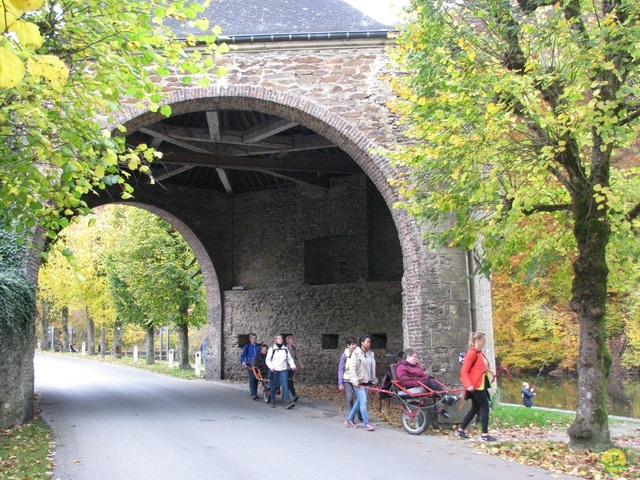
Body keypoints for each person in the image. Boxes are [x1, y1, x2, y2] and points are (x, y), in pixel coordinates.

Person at [455, 331, 496, 442]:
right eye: (483, 340)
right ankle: (484, 434)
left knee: (475, 408)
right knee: (485, 407)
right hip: (475, 386)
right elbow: (464, 371)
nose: (485, 342)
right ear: (477, 341)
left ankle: (460, 430)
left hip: (480, 385)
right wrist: (468, 385)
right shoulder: (472, 353)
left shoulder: (479, 353)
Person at [395, 348, 457, 417]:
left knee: (432, 382)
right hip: (409, 386)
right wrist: (418, 382)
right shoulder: (401, 366)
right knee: (429, 383)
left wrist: (427, 378)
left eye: (417, 357)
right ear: (408, 356)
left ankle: (444, 398)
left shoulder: (416, 366)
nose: (416, 359)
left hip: (419, 383)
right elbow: (403, 380)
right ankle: (445, 397)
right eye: (415, 357)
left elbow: (422, 375)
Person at [344, 334, 377, 431]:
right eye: (367, 342)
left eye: (370, 342)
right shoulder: (356, 353)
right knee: (363, 401)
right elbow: (352, 368)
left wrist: (374, 379)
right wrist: (354, 381)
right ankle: (367, 423)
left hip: (366, 381)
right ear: (362, 343)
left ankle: (349, 420)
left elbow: (371, 368)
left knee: (359, 401)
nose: (369, 344)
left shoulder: (370, 354)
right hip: (358, 382)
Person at [266, 335, 296, 409]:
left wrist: (292, 365)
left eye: (281, 338)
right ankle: (272, 400)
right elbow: (267, 360)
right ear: (276, 340)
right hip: (275, 369)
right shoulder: (272, 349)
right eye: (279, 338)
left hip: (283, 369)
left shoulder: (285, 349)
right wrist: (271, 367)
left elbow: (289, 359)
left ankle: (288, 401)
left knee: (285, 385)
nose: (281, 340)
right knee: (274, 385)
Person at [338, 336, 362, 420]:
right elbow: (341, 369)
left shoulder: (359, 354)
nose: (354, 346)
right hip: (347, 380)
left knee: (359, 398)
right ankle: (350, 416)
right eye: (352, 344)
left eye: (355, 344)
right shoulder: (344, 355)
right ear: (348, 345)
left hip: (357, 380)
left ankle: (360, 415)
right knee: (350, 398)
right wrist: (340, 382)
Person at [240, 333, 262, 400]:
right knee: (252, 378)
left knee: (256, 379)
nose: (254, 339)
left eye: (255, 338)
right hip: (250, 365)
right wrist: (243, 362)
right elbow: (242, 356)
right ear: (250, 339)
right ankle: (253, 394)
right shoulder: (247, 346)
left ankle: (255, 392)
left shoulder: (258, 347)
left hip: (257, 365)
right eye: (253, 338)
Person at [286, 335, 304, 402]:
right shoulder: (285, 348)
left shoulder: (294, 349)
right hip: (286, 367)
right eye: (291, 340)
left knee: (289, 380)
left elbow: (298, 357)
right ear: (287, 341)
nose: (292, 341)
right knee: (289, 380)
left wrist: (301, 364)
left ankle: (287, 394)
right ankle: (293, 395)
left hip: (292, 368)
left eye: (293, 340)